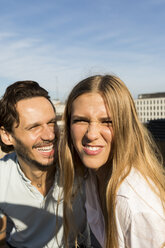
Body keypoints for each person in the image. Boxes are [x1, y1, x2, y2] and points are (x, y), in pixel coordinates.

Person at [59, 74, 165, 248]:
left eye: (107, 121)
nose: (91, 134)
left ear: (126, 127)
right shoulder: (94, 176)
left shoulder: (136, 206)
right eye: (81, 120)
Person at [0, 80, 90, 248]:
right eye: (34, 127)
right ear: (7, 135)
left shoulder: (82, 167)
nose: (49, 135)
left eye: (51, 122)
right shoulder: (2, 176)